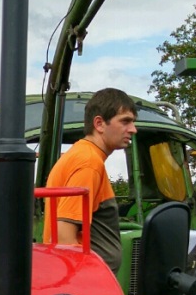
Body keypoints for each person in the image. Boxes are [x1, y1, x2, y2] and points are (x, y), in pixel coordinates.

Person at [42, 88, 138, 272]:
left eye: (133, 122)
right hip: (88, 282)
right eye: (125, 121)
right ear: (99, 124)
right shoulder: (89, 163)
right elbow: (65, 237)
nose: (133, 129)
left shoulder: (84, 156)